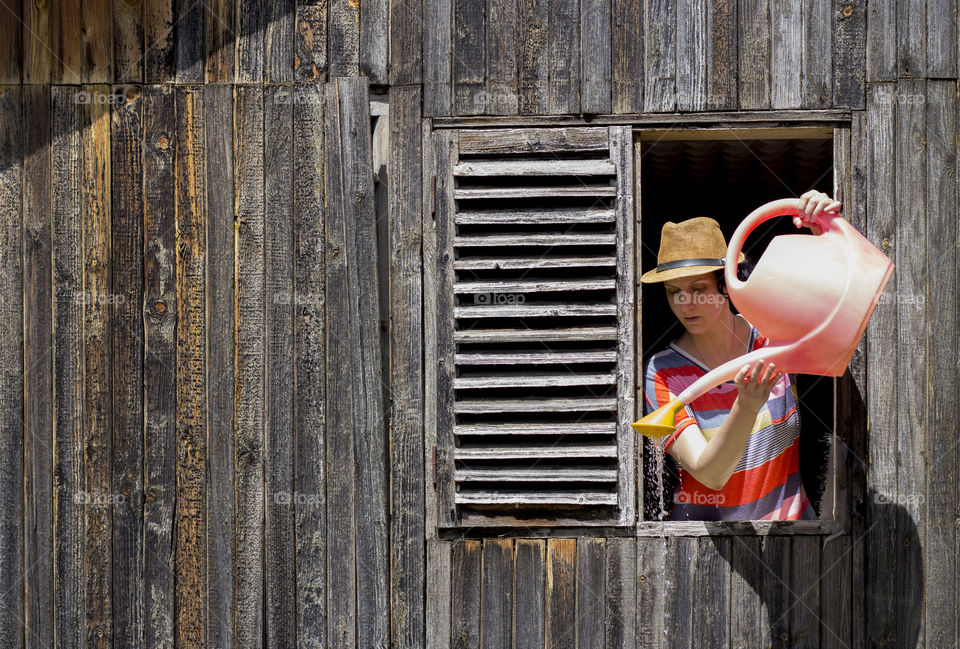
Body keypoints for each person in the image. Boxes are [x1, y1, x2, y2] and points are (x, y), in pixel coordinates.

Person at [641, 190, 842, 521]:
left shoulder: (774, 334)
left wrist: (823, 229)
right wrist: (746, 406)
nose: (685, 304)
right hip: (706, 558)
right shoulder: (662, 373)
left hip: (795, 543)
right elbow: (709, 474)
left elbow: (839, 317)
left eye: (698, 289)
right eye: (674, 293)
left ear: (726, 283)